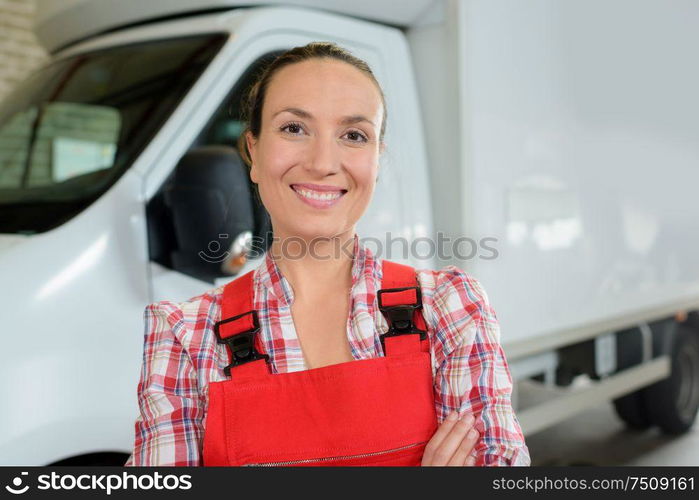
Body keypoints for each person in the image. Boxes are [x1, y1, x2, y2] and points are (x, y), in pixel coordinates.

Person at [124, 42, 530, 467]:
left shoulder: (450, 305)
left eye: (353, 135)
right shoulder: (186, 334)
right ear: (254, 153)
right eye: (294, 128)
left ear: (375, 161)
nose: (322, 163)